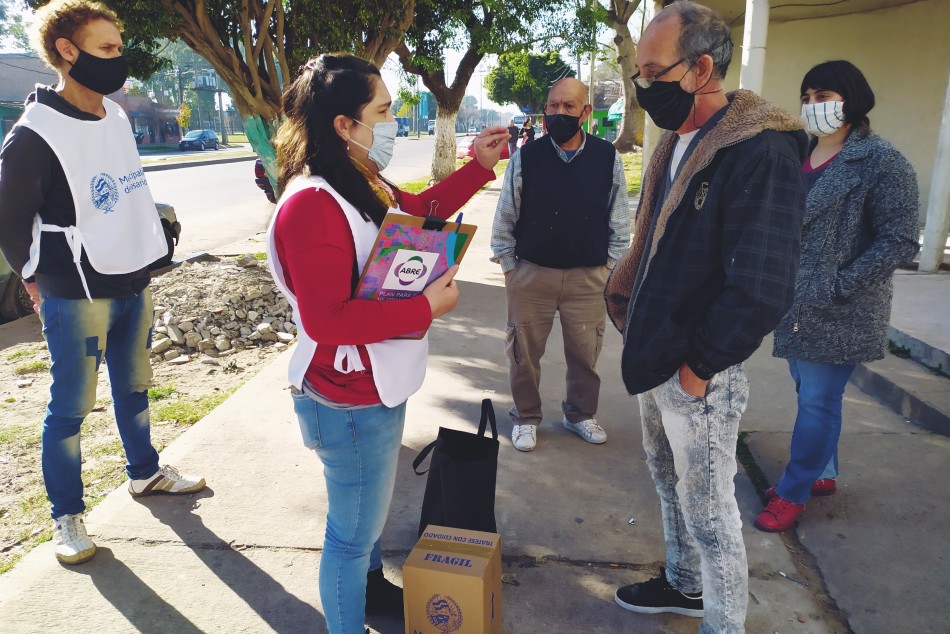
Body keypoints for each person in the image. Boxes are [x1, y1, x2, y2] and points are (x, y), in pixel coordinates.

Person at [266, 53, 508, 634]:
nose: (394, 123)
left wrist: (476, 167)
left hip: (372, 385)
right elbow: (327, 319)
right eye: (384, 112)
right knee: (349, 540)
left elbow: (415, 215)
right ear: (343, 125)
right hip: (347, 399)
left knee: (362, 526)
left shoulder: (357, 178)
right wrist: (425, 306)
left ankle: (370, 593)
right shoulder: (312, 204)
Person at [603, 2, 807, 631]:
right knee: (668, 482)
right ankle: (684, 585)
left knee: (712, 514)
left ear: (700, 69)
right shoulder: (678, 140)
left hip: (700, 368)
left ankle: (725, 623)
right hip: (658, 347)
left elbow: (763, 286)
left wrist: (700, 368)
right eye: (637, 72)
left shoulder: (760, 149)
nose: (643, 87)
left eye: (653, 71)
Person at [0, 0, 205, 566]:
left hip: (131, 281)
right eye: (108, 48)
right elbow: (10, 221)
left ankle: (145, 473)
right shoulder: (33, 134)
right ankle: (66, 516)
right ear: (68, 51)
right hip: (76, 292)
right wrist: (37, 284)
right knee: (70, 408)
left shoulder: (114, 115)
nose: (121, 59)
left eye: (118, 46)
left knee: (134, 386)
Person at [755, 61, 920, 533]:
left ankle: (794, 489)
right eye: (806, 97)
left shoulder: (882, 161)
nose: (812, 106)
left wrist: (838, 284)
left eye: (822, 95)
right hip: (791, 302)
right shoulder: (798, 153)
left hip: (839, 307)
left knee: (818, 402)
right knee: (810, 391)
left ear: (851, 99)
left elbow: (900, 240)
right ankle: (821, 472)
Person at [491, 78, 630, 452]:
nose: (558, 114)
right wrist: (509, 268)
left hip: (588, 278)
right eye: (553, 106)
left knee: (586, 354)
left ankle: (579, 414)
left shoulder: (606, 157)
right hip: (531, 275)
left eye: (569, 107)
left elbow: (619, 219)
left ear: (586, 112)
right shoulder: (526, 157)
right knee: (523, 354)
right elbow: (505, 216)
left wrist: (609, 268)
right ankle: (525, 417)